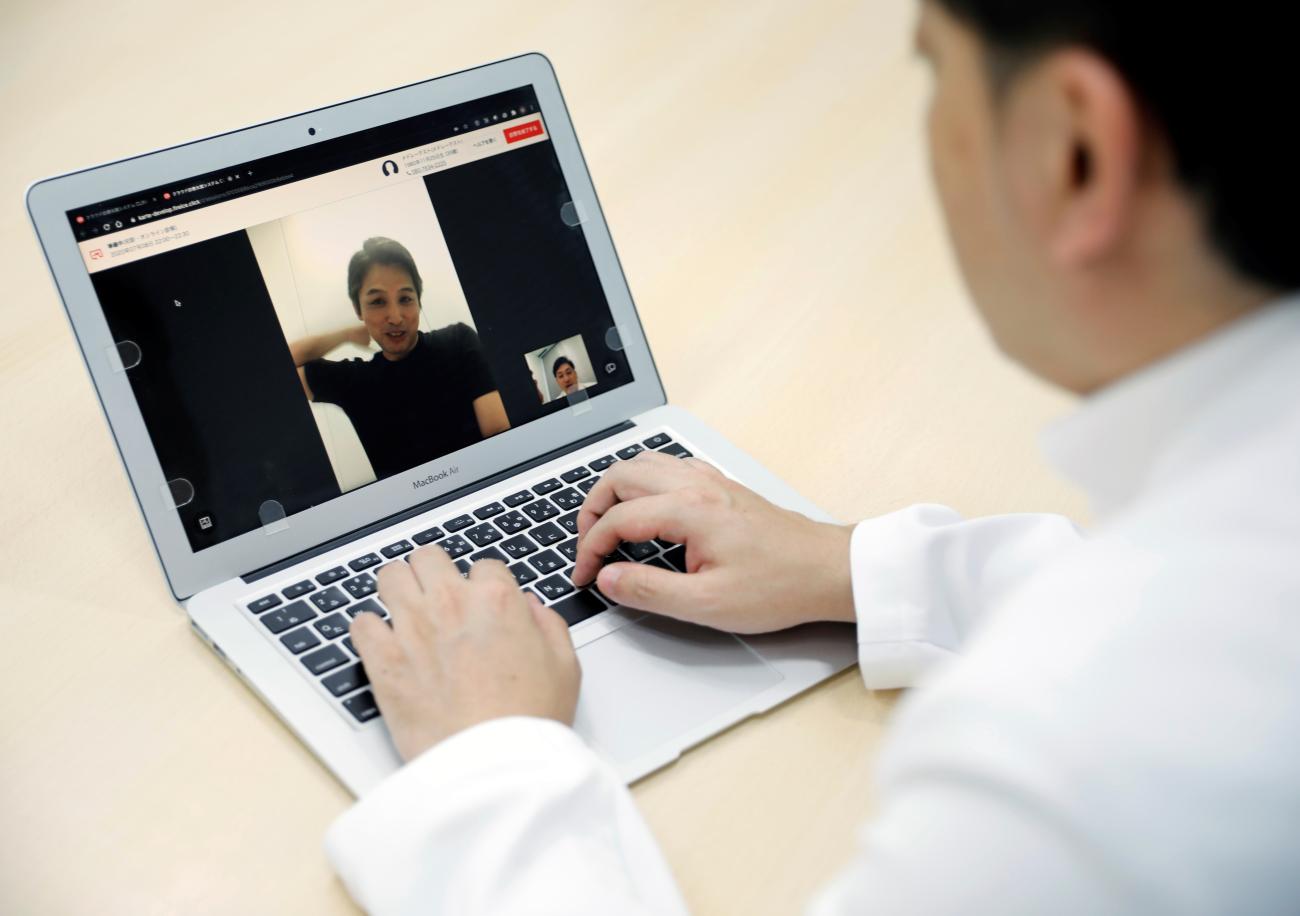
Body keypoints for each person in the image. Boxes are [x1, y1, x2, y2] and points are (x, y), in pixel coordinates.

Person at [326, 1, 1300, 913]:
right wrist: (854, 566)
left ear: (1075, 151)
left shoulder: (1065, 768)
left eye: (933, 73)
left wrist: (491, 760)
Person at [289, 237, 510, 481]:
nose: (395, 317)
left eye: (405, 298)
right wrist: (346, 334)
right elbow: (284, 366)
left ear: (418, 301)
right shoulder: (353, 380)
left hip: (482, 484)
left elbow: (498, 432)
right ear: (358, 309)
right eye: (377, 302)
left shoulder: (458, 341)